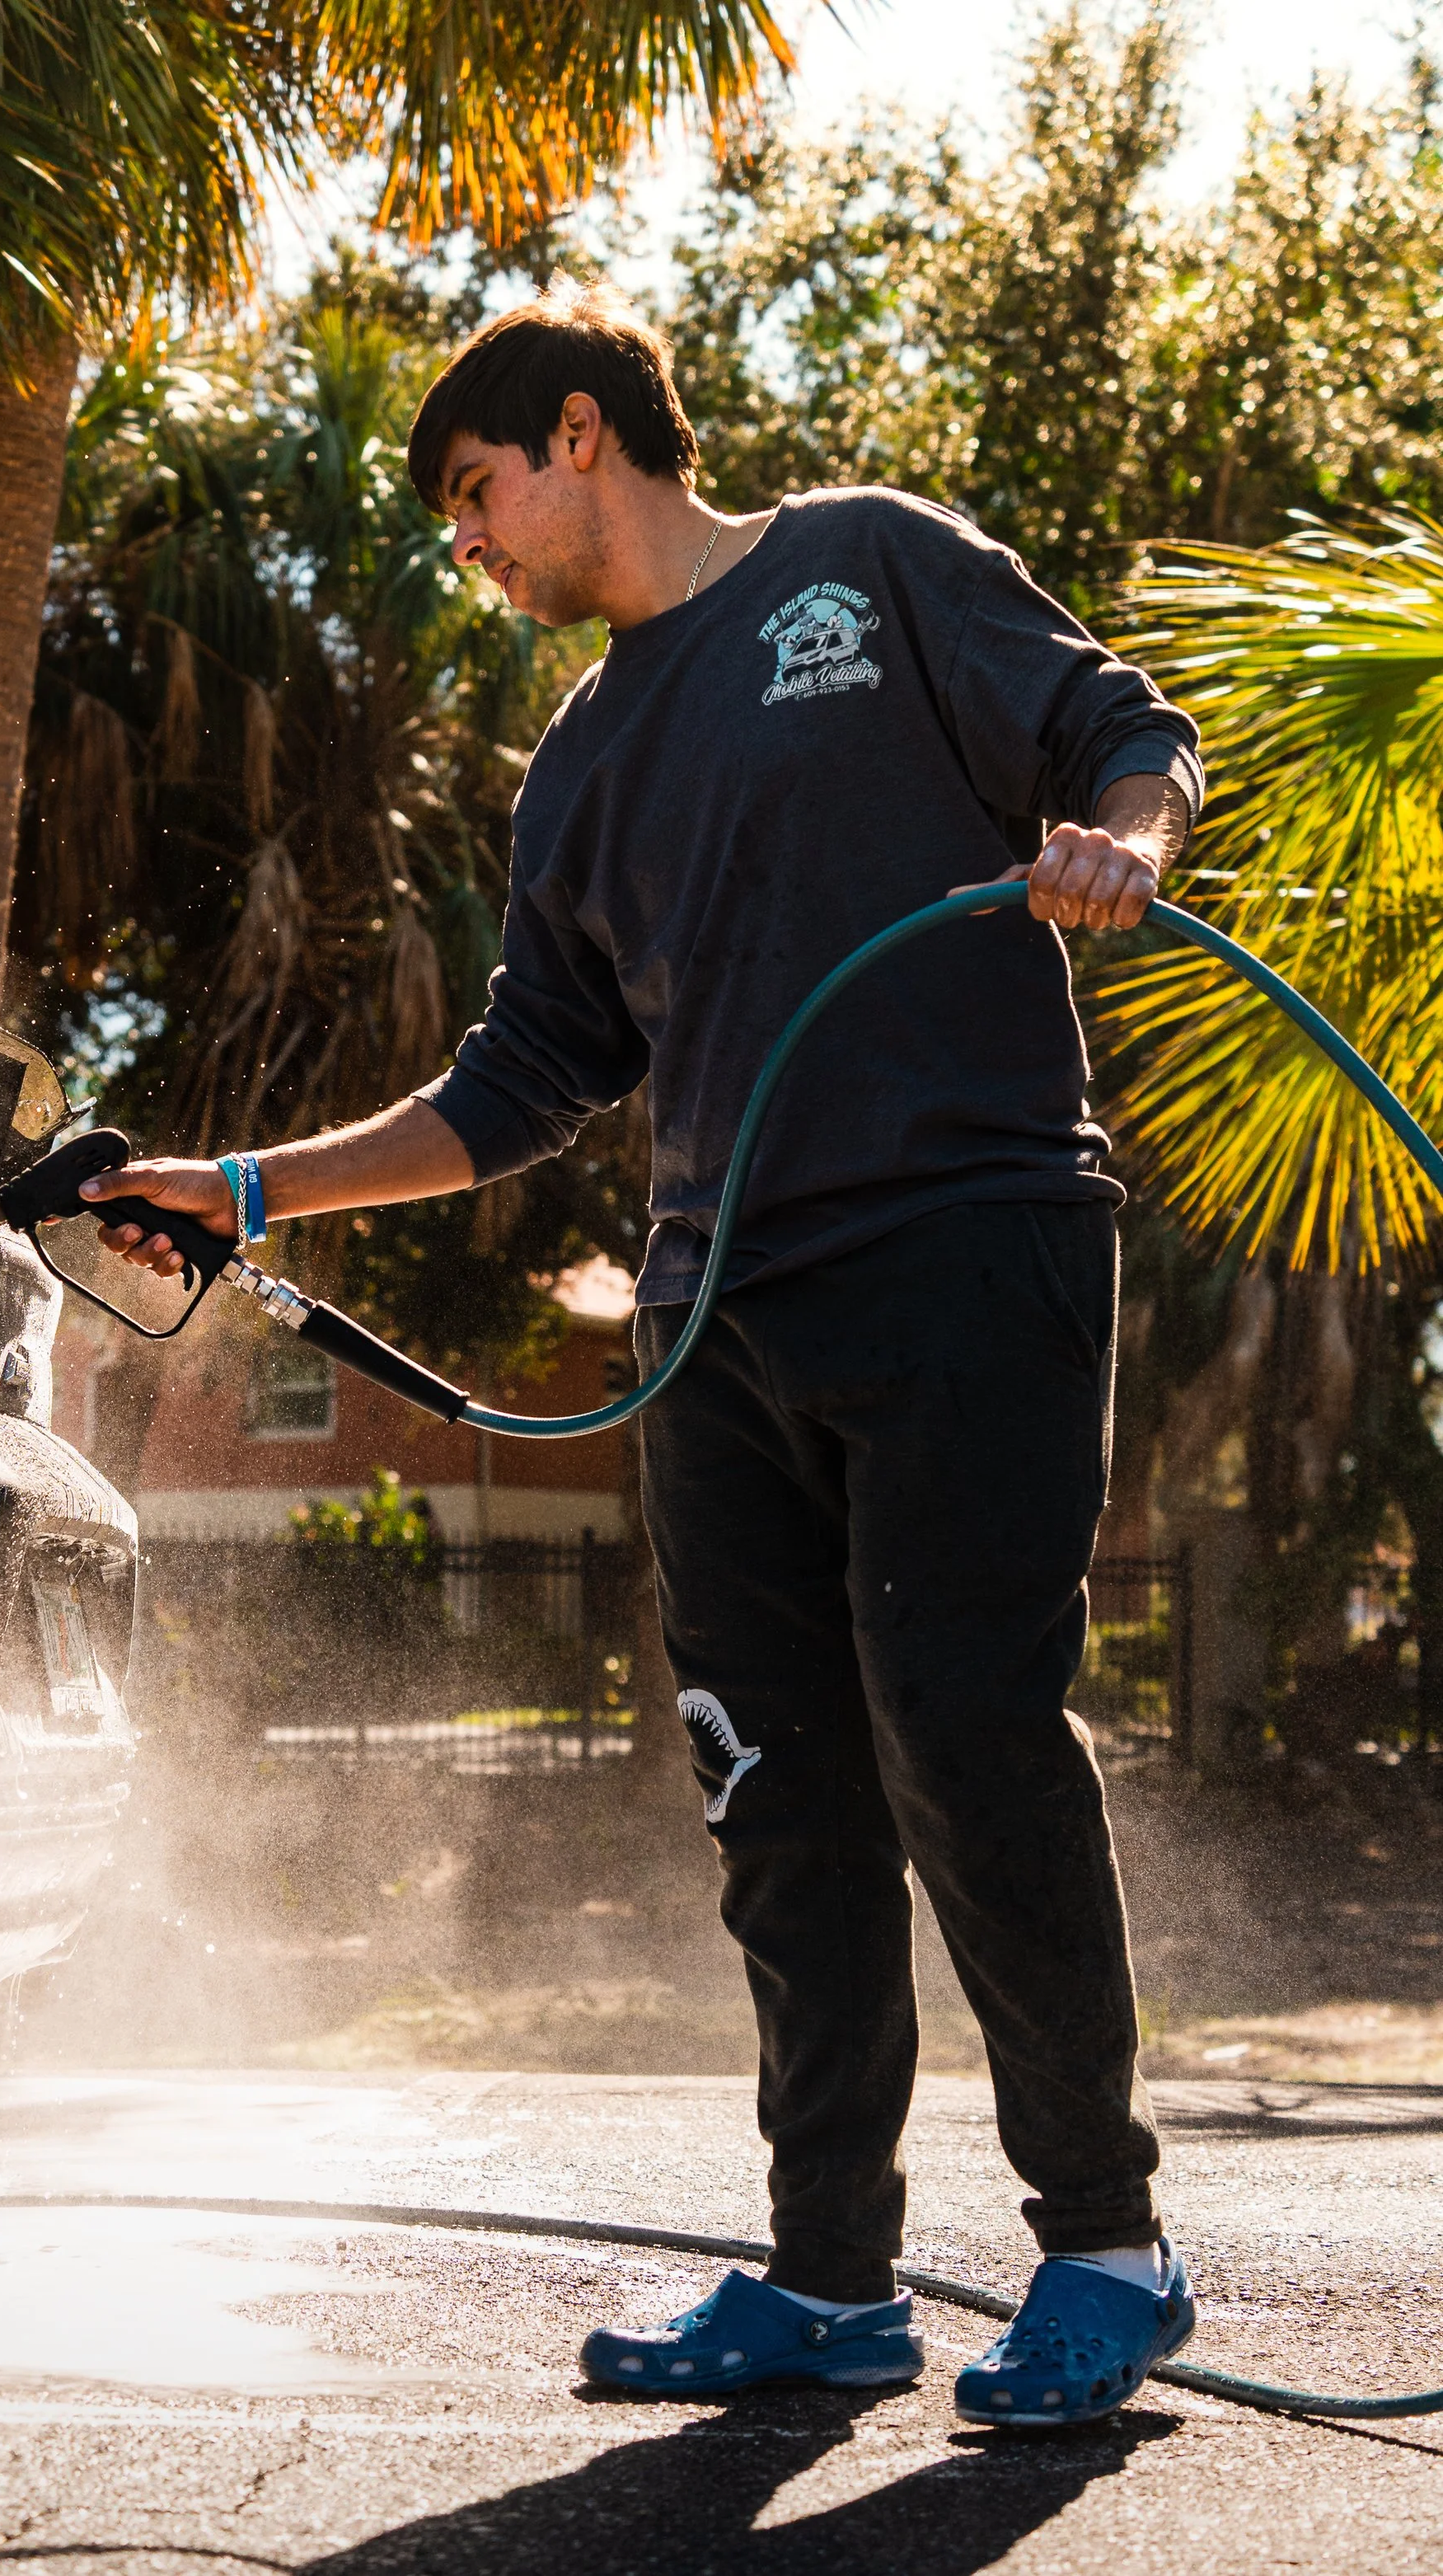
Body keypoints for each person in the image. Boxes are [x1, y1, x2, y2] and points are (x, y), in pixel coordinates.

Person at [81, 279, 1200, 2428]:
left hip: (966, 1246)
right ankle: (829, 2285)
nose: (466, 545)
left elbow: (1115, 730)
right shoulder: (579, 762)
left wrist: (1116, 843)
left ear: (579, 431)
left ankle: (1103, 2246)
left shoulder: (861, 566)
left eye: (473, 494)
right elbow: (518, 1083)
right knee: (780, 1801)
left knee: (960, 1731)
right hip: (716, 1317)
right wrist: (240, 1189)